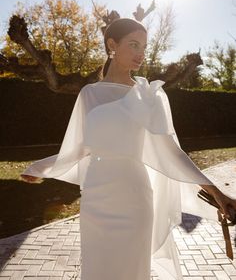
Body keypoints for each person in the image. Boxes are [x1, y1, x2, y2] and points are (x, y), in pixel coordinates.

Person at [21, 18, 236, 280]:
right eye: (134, 45)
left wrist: (216, 192)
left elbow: (172, 152)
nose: (141, 54)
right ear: (112, 45)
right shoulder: (90, 94)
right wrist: (41, 168)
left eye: (144, 47)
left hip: (134, 197)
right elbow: (79, 149)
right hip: (96, 198)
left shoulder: (150, 96)